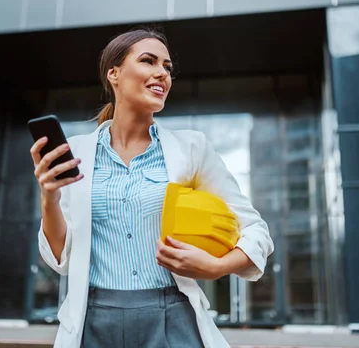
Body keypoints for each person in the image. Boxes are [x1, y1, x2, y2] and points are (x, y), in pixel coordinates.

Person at [30, 29, 273, 348]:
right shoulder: (76, 154)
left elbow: (255, 230)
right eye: (148, 61)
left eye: (168, 67)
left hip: (172, 319)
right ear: (113, 74)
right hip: (93, 323)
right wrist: (49, 198)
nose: (162, 73)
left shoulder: (191, 149)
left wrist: (216, 267)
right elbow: (60, 257)